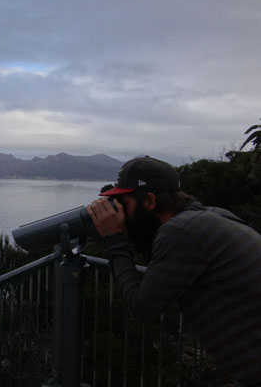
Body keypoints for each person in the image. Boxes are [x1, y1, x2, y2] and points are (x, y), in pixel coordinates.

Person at [87, 156, 261, 387]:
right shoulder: (212, 215)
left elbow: (142, 308)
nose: (122, 215)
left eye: (124, 204)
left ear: (149, 201)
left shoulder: (179, 232)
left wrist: (115, 240)